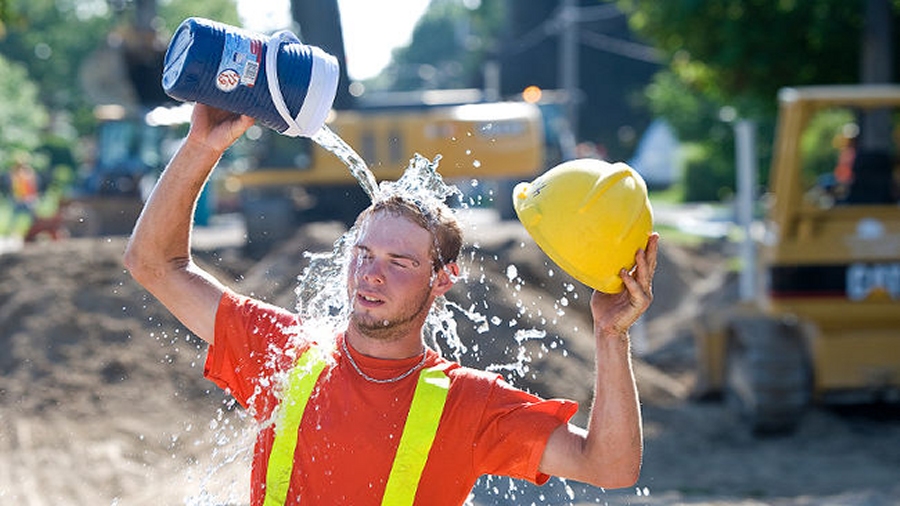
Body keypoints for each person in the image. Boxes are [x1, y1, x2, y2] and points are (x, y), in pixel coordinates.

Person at [124, 104, 659, 506]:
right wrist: (201, 145)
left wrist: (612, 337)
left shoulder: (469, 405)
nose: (370, 275)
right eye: (364, 253)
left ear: (442, 279)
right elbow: (153, 263)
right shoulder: (284, 351)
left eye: (400, 262)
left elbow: (609, 465)